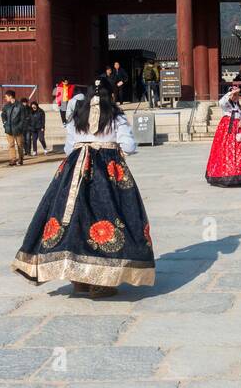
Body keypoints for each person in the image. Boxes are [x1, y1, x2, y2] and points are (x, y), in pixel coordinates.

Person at [12, 91, 154, 298]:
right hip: (107, 170)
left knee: (73, 220)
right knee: (110, 218)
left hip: (74, 172)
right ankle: (101, 282)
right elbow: (129, 146)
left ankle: (78, 279)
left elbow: (70, 147)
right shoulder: (115, 116)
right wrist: (114, 149)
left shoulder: (77, 117)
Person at [205, 87, 241, 186]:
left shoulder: (238, 106)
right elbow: (221, 102)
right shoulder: (226, 105)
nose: (236, 97)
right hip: (227, 128)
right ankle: (226, 174)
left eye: (237, 95)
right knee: (226, 149)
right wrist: (230, 93)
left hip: (238, 128)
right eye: (234, 95)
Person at [0, 90, 27, 166]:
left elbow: (23, 118)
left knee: (19, 144)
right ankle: (13, 159)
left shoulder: (20, 106)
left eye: (6, 96)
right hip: (8, 128)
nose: (5, 98)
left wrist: (20, 126)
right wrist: (5, 123)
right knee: (11, 144)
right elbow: (3, 114)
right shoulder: (6, 106)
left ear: (10, 96)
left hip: (17, 128)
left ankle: (20, 158)